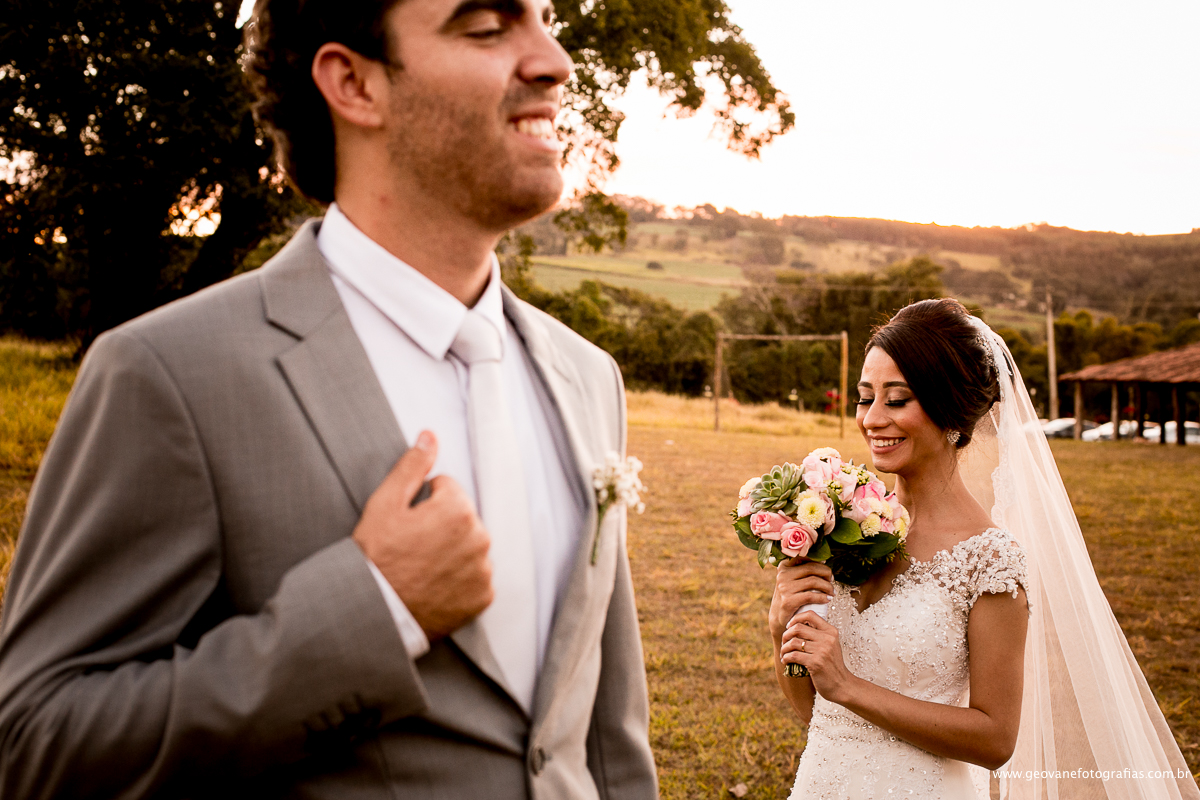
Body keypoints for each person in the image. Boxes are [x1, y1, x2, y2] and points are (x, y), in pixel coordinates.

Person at [0, 1, 658, 798]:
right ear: (353, 82)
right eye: (487, 26)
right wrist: (377, 611)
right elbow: (34, 744)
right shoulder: (169, 373)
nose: (555, 60)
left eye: (546, 17)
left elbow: (605, 736)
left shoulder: (588, 376)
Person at [770, 298, 1199, 800]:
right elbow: (815, 711)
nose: (871, 419)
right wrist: (781, 625)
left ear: (950, 411)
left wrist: (847, 686)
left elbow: (996, 738)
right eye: (866, 398)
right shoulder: (842, 523)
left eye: (898, 399)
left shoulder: (989, 559)